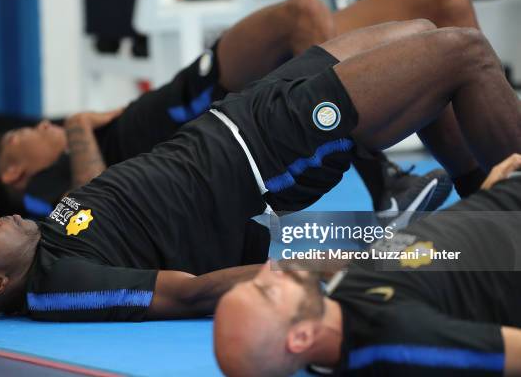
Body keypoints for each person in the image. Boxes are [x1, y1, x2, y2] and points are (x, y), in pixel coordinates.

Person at [0, 20, 520, 323]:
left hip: (238, 118)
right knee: (462, 53)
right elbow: (191, 293)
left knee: (422, 35)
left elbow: (113, 206)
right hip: (268, 155)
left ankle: (490, 214)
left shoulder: (49, 233)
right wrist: (322, 270)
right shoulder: (61, 286)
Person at [0, 0, 483, 218]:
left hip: (207, 78)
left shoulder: (79, 143)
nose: (39, 125)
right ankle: (387, 182)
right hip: (215, 98)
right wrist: (79, 127)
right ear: (14, 173)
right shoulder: (41, 191)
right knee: (301, 13)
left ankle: (492, 189)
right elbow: (90, 213)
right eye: (21, 138)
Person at [213, 154, 521, 377]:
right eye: (268, 292)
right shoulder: (399, 342)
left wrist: (484, 200)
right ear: (301, 337)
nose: (269, 269)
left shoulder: (340, 303)